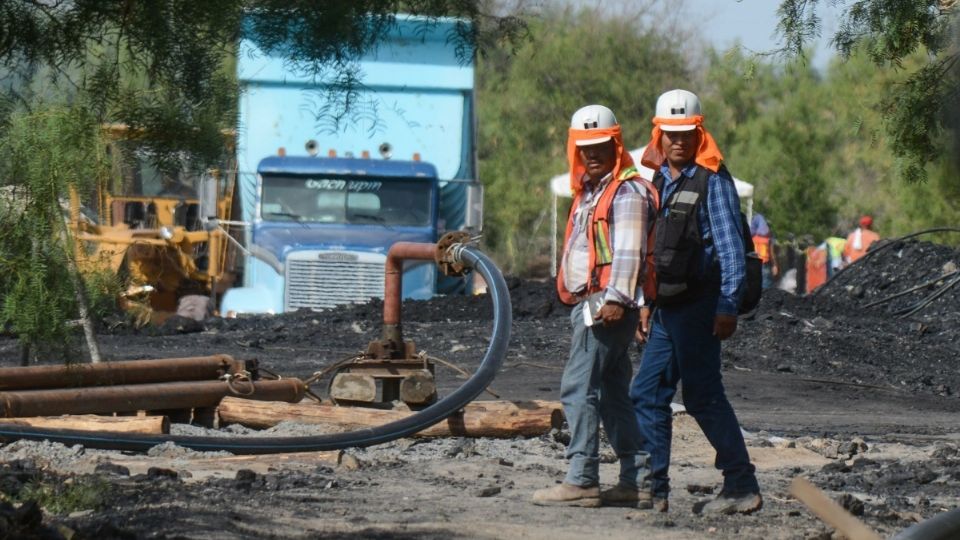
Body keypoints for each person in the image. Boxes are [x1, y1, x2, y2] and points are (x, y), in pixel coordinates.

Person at [630, 89, 761, 514]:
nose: (678, 141)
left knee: (702, 396)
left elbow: (729, 248)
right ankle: (655, 489)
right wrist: (645, 302)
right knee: (647, 392)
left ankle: (741, 485)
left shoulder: (713, 180)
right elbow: (653, 247)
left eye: (686, 134)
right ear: (659, 135)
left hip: (702, 305)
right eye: (670, 134)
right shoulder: (658, 179)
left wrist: (727, 305)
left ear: (698, 134)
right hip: (667, 307)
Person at [533, 104, 656, 508]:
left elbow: (629, 250)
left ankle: (582, 477)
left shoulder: (627, 191)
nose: (591, 153)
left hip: (607, 305)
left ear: (615, 144)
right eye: (584, 146)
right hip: (597, 302)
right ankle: (636, 479)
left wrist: (619, 299)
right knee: (611, 394)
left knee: (577, 386)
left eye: (600, 145)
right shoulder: (593, 190)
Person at [749, 213, 779, 290]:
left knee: (753, 288)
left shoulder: (752, 236)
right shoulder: (768, 237)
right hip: (764, 264)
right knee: (765, 289)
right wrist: (774, 265)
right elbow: (771, 252)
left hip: (752, 265)